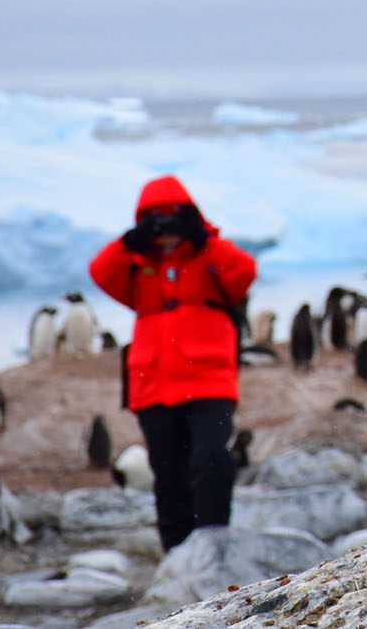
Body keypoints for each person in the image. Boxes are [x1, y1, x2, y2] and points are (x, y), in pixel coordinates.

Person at [88, 175, 256, 551]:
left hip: (209, 379)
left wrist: (203, 236)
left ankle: (213, 544)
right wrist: (130, 242)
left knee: (211, 458)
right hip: (153, 382)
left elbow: (244, 272)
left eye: (172, 223)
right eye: (155, 225)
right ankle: (177, 554)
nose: (165, 234)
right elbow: (100, 271)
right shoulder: (137, 263)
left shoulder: (209, 254)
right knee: (167, 472)